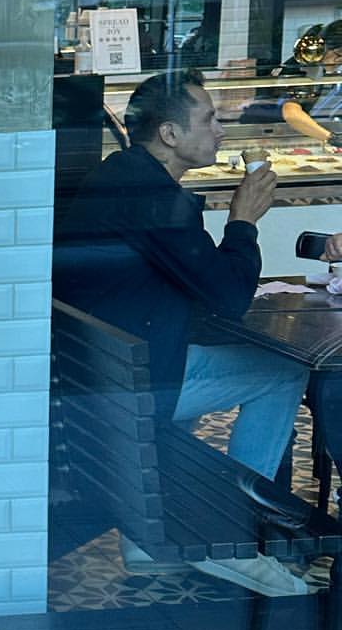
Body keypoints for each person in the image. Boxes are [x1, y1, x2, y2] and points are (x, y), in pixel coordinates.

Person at [55, 67, 312, 594]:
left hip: (102, 372)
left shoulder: (122, 177)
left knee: (237, 364)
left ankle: (147, 537)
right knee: (282, 374)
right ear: (170, 134)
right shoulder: (155, 198)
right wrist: (243, 221)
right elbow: (228, 297)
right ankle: (231, 527)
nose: (221, 130)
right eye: (210, 119)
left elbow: (191, 286)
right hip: (129, 389)